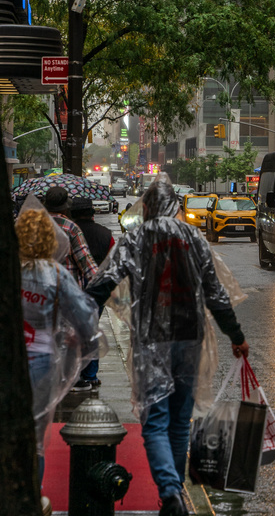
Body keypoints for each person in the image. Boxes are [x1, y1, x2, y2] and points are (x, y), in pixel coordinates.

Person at [87, 173, 249, 516]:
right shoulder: (193, 237)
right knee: (179, 420)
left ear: (147, 207)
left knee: (155, 420)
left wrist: (82, 315)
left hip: (152, 339)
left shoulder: (136, 239)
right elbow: (217, 293)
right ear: (174, 204)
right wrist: (236, 335)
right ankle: (172, 494)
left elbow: (105, 282)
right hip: (191, 336)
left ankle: (170, 491)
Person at [17, 208, 100, 513]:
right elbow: (86, 319)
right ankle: (33, 497)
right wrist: (75, 337)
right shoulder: (54, 274)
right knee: (35, 433)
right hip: (41, 358)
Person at [71, 198, 115, 389]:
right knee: (91, 329)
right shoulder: (105, 234)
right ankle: (90, 374)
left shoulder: (68, 231)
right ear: (92, 213)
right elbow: (112, 262)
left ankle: (72, 372)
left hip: (71, 285)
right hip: (97, 286)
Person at [43, 186, 98, 291]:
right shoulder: (70, 228)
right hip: (67, 294)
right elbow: (85, 262)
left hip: (38, 295)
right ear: (65, 208)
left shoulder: (31, 225)